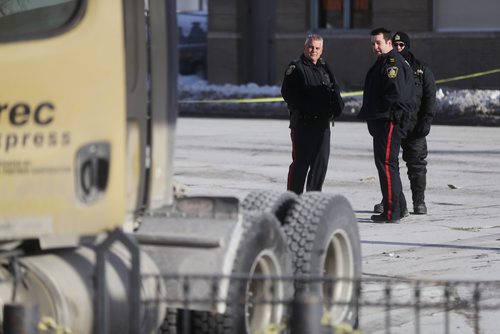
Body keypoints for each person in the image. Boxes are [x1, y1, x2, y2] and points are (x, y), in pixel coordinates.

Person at [358, 28, 416, 223]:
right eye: (373, 44)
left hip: (389, 121)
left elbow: (395, 95)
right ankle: (400, 207)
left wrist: (383, 115)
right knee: (389, 165)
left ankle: (392, 212)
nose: (375, 47)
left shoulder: (392, 63)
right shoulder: (383, 62)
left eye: (378, 43)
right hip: (382, 120)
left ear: (389, 43)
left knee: (386, 165)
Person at [380, 31, 435, 214]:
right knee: (389, 164)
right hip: (393, 124)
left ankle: (419, 201)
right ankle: (390, 199)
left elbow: (429, 98)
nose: (398, 49)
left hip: (414, 126)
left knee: (417, 165)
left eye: (401, 46)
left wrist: (425, 121)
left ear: (407, 47)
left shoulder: (421, 69)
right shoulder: (386, 66)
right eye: (395, 45)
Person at [281, 34, 344, 194]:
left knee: (320, 164)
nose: (313, 50)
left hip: (323, 124)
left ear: (321, 50)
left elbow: (334, 89)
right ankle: (293, 199)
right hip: (304, 124)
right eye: (310, 47)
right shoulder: (296, 67)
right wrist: (309, 106)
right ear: (305, 48)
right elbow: (288, 94)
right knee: (301, 164)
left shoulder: (324, 67)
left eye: (317, 48)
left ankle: (313, 198)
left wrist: (337, 107)